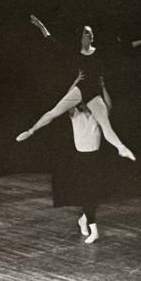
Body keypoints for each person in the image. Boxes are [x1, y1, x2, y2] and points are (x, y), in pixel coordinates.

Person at [16, 15, 141, 160]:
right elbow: (54, 44)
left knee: (106, 125)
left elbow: (121, 47)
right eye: (87, 32)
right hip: (80, 89)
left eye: (91, 32)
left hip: (94, 93)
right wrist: (41, 26)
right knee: (54, 112)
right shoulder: (75, 53)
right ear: (81, 36)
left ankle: (121, 148)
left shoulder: (99, 51)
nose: (91, 34)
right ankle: (30, 131)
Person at [54, 73, 114, 243]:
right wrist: (75, 82)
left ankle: (84, 219)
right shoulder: (75, 115)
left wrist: (103, 87)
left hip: (96, 158)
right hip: (81, 159)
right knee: (88, 193)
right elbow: (66, 101)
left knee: (95, 193)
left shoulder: (97, 115)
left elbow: (109, 106)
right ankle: (94, 230)